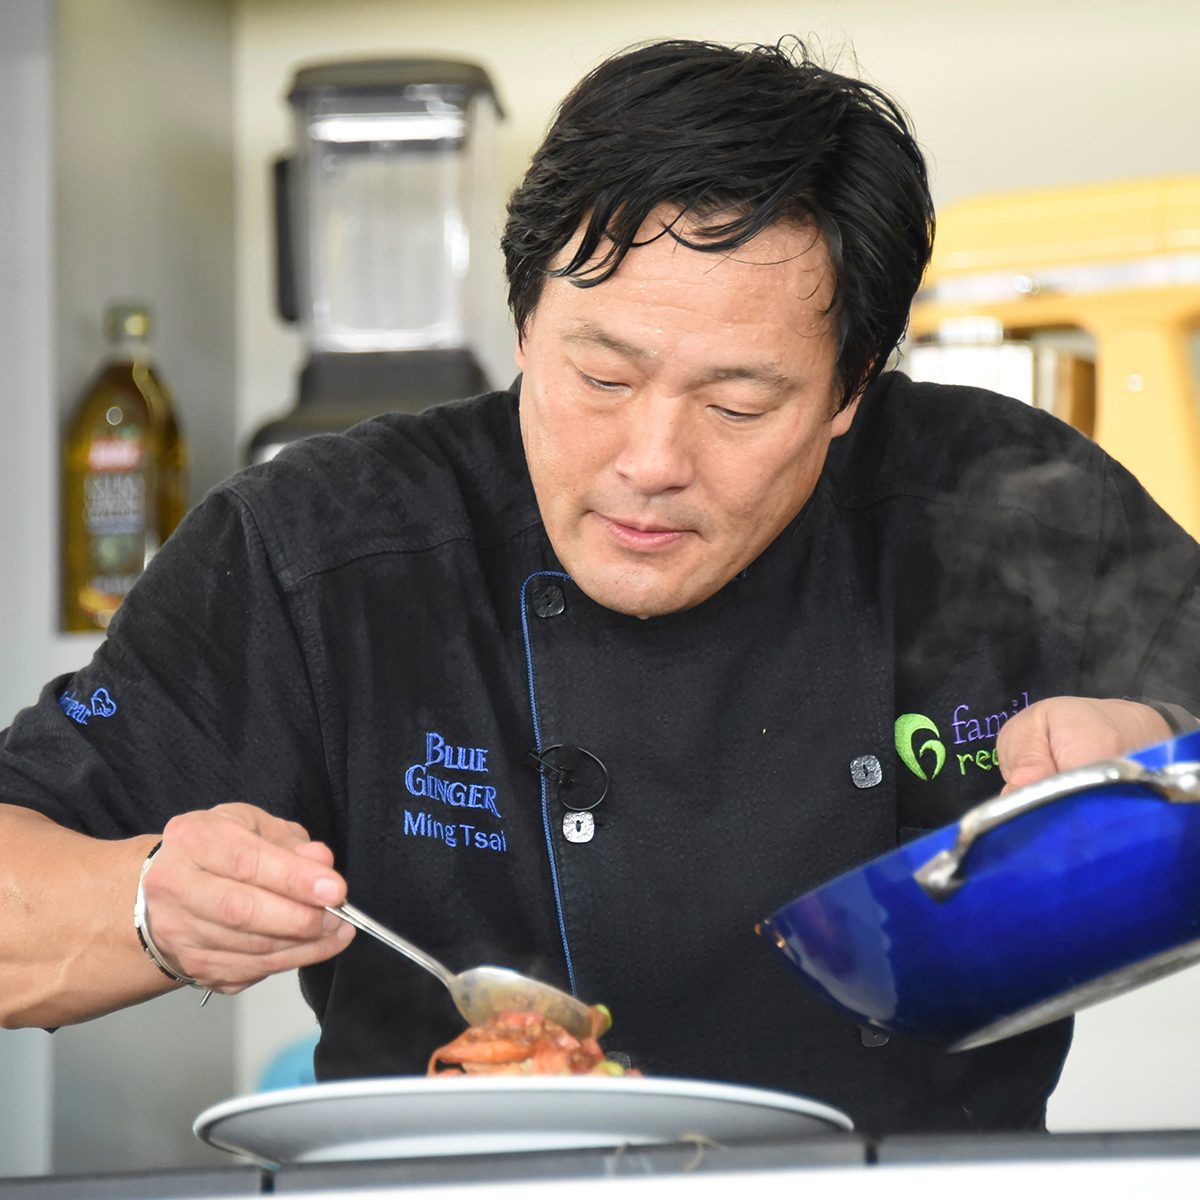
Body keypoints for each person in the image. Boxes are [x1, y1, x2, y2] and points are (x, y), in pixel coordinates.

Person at [1, 37, 1198, 1137]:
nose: (653, 462)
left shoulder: (1004, 498)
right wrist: (151, 902)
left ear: (850, 394)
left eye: (739, 405)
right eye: (601, 375)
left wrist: (1161, 777)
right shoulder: (323, 549)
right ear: (524, 323)